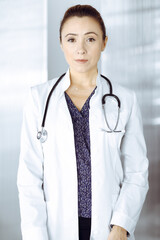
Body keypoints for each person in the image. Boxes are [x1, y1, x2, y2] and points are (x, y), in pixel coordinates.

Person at [17, 4, 149, 240]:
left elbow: (137, 172)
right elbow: (29, 178)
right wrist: (36, 235)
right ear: (61, 43)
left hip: (109, 228)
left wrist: (121, 226)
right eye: (71, 39)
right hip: (55, 229)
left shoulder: (125, 100)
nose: (80, 49)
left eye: (90, 39)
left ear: (104, 43)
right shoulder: (39, 99)